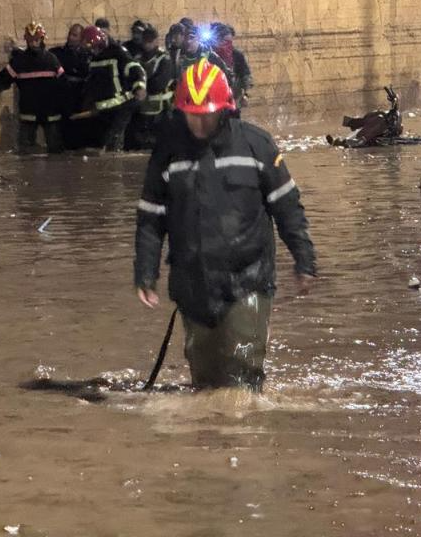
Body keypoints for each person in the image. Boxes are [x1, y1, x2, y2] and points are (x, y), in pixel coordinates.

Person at [134, 60, 317, 390]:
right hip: (192, 284)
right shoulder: (168, 154)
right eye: (193, 115)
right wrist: (146, 273)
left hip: (248, 280)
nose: (200, 123)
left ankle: (247, 420)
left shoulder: (257, 146)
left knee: (243, 375)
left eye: (207, 115)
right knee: (205, 380)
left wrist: (304, 260)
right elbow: (150, 219)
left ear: (225, 110)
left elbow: (288, 208)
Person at [0, 22, 66, 154]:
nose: (33, 44)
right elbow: (5, 77)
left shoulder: (49, 60)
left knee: (52, 150)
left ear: (42, 39)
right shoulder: (25, 60)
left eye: (36, 40)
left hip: (44, 112)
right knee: (29, 151)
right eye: (31, 41)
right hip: (36, 113)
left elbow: (63, 84)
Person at [78, 24, 146, 151]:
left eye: (95, 48)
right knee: (105, 142)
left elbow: (135, 69)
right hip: (104, 109)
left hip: (121, 105)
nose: (93, 51)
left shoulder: (118, 52)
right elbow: (94, 82)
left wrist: (139, 86)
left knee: (113, 142)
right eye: (91, 49)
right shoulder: (94, 58)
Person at [127, 25, 175, 150]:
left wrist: (142, 87)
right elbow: (131, 77)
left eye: (150, 41)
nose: (147, 44)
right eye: (145, 41)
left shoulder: (164, 58)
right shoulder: (138, 58)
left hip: (160, 108)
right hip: (140, 108)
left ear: (156, 40)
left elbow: (160, 82)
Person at [327, 87, 403, 148]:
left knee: (379, 120)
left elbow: (371, 133)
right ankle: (351, 128)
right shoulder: (378, 117)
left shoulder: (383, 121)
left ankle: (350, 132)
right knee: (376, 117)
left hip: (380, 132)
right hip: (375, 130)